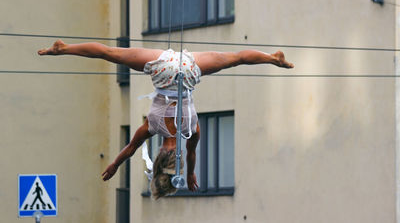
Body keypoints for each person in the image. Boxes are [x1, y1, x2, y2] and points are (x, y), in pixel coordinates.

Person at [38, 39, 294, 198]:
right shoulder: (152, 127)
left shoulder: (191, 130)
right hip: (163, 67)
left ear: (174, 160)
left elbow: (191, 154)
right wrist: (115, 165)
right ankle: (64, 48)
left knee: (234, 59)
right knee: (110, 53)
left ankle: (272, 58)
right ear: (159, 156)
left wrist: (191, 174)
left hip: (188, 68)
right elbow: (130, 148)